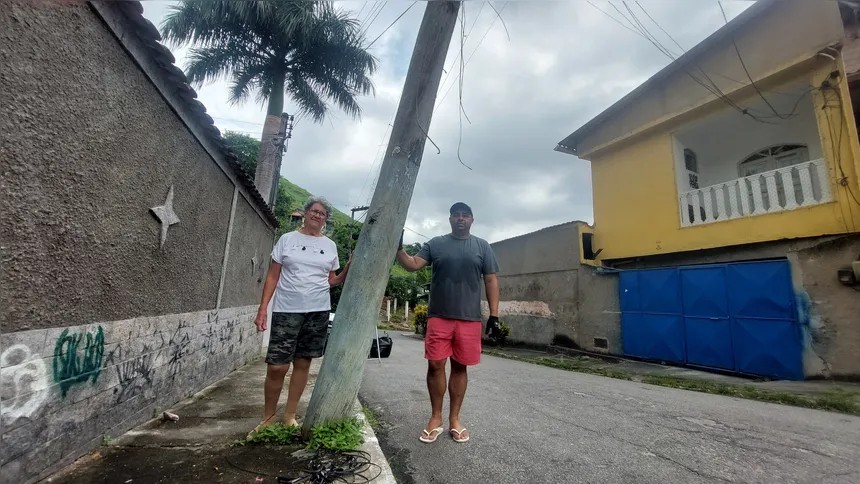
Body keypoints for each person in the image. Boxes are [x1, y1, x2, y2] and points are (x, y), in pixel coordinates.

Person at [395, 202, 500, 444]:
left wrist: (494, 315)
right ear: (450, 218)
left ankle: (454, 419)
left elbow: (491, 281)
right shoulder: (436, 244)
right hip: (439, 316)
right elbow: (412, 265)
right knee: (435, 365)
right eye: (456, 215)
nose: (460, 218)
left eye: (465, 215)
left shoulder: (482, 246)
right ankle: (435, 418)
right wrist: (398, 249)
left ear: (472, 219)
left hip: (469, 319)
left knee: (460, 367)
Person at [253, 196, 351, 431]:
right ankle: (267, 419)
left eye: (322, 213)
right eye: (314, 211)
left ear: (325, 219)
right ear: (306, 213)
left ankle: (289, 415)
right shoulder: (287, 240)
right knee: (277, 365)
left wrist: (348, 268)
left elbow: (332, 281)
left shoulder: (330, 246)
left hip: (317, 311)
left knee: (303, 362)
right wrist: (263, 308)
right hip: (287, 309)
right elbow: (272, 276)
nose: (317, 215)